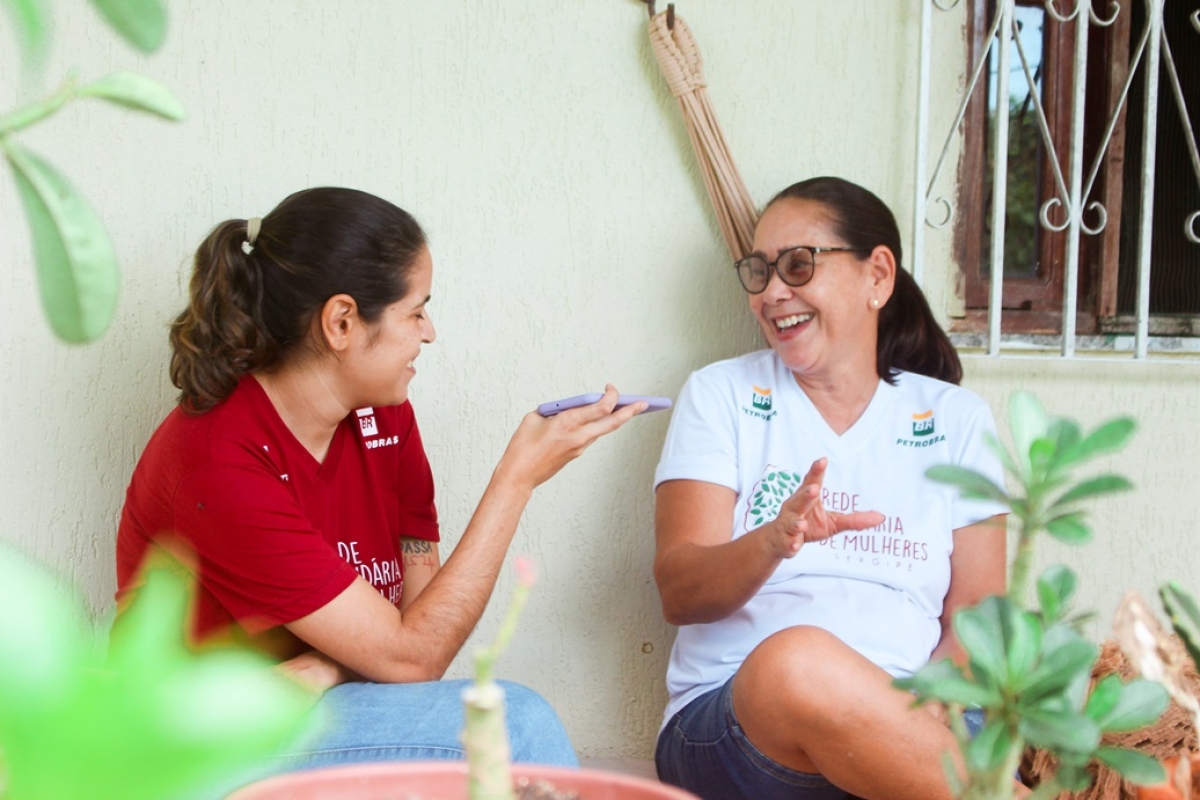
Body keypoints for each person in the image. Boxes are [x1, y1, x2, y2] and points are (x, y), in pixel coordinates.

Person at [114, 187, 649, 774]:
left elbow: (420, 647)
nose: (430, 332)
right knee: (515, 725)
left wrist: (330, 667)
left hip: (325, 709)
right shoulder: (219, 461)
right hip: (190, 749)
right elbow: (410, 656)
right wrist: (514, 481)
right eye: (416, 310)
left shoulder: (382, 416)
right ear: (342, 321)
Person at [651, 177, 1009, 800]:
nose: (772, 293)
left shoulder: (956, 419)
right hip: (738, 726)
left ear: (878, 276)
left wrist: (906, 717)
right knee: (799, 664)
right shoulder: (722, 396)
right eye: (759, 272)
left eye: (798, 265)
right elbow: (680, 591)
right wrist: (772, 541)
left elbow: (981, 616)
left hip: (926, 716)